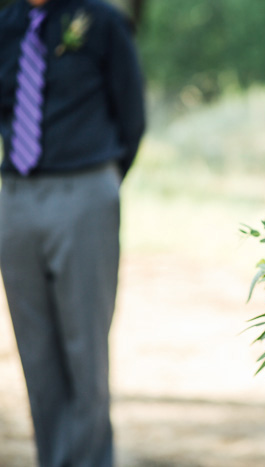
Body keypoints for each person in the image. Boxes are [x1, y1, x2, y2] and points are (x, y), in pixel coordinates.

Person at [0, 0, 144, 465]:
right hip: (16, 196)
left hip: (85, 190)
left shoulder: (101, 21)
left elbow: (132, 114)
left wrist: (100, 184)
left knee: (85, 351)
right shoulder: (7, 24)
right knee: (36, 353)